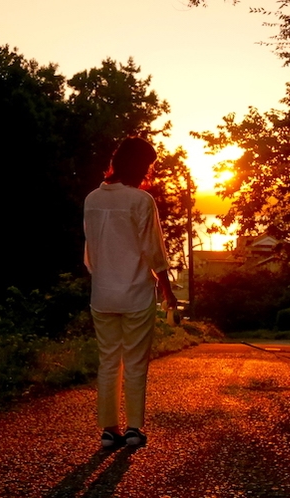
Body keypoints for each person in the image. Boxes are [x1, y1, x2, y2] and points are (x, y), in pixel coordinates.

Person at [84, 137, 177, 449]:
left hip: (102, 294)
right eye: (148, 166)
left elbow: (90, 253)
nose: (148, 171)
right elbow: (155, 252)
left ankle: (109, 430)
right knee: (135, 362)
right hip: (136, 294)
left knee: (108, 361)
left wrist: (104, 277)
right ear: (140, 166)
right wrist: (167, 290)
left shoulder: (92, 199)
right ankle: (134, 429)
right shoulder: (140, 201)